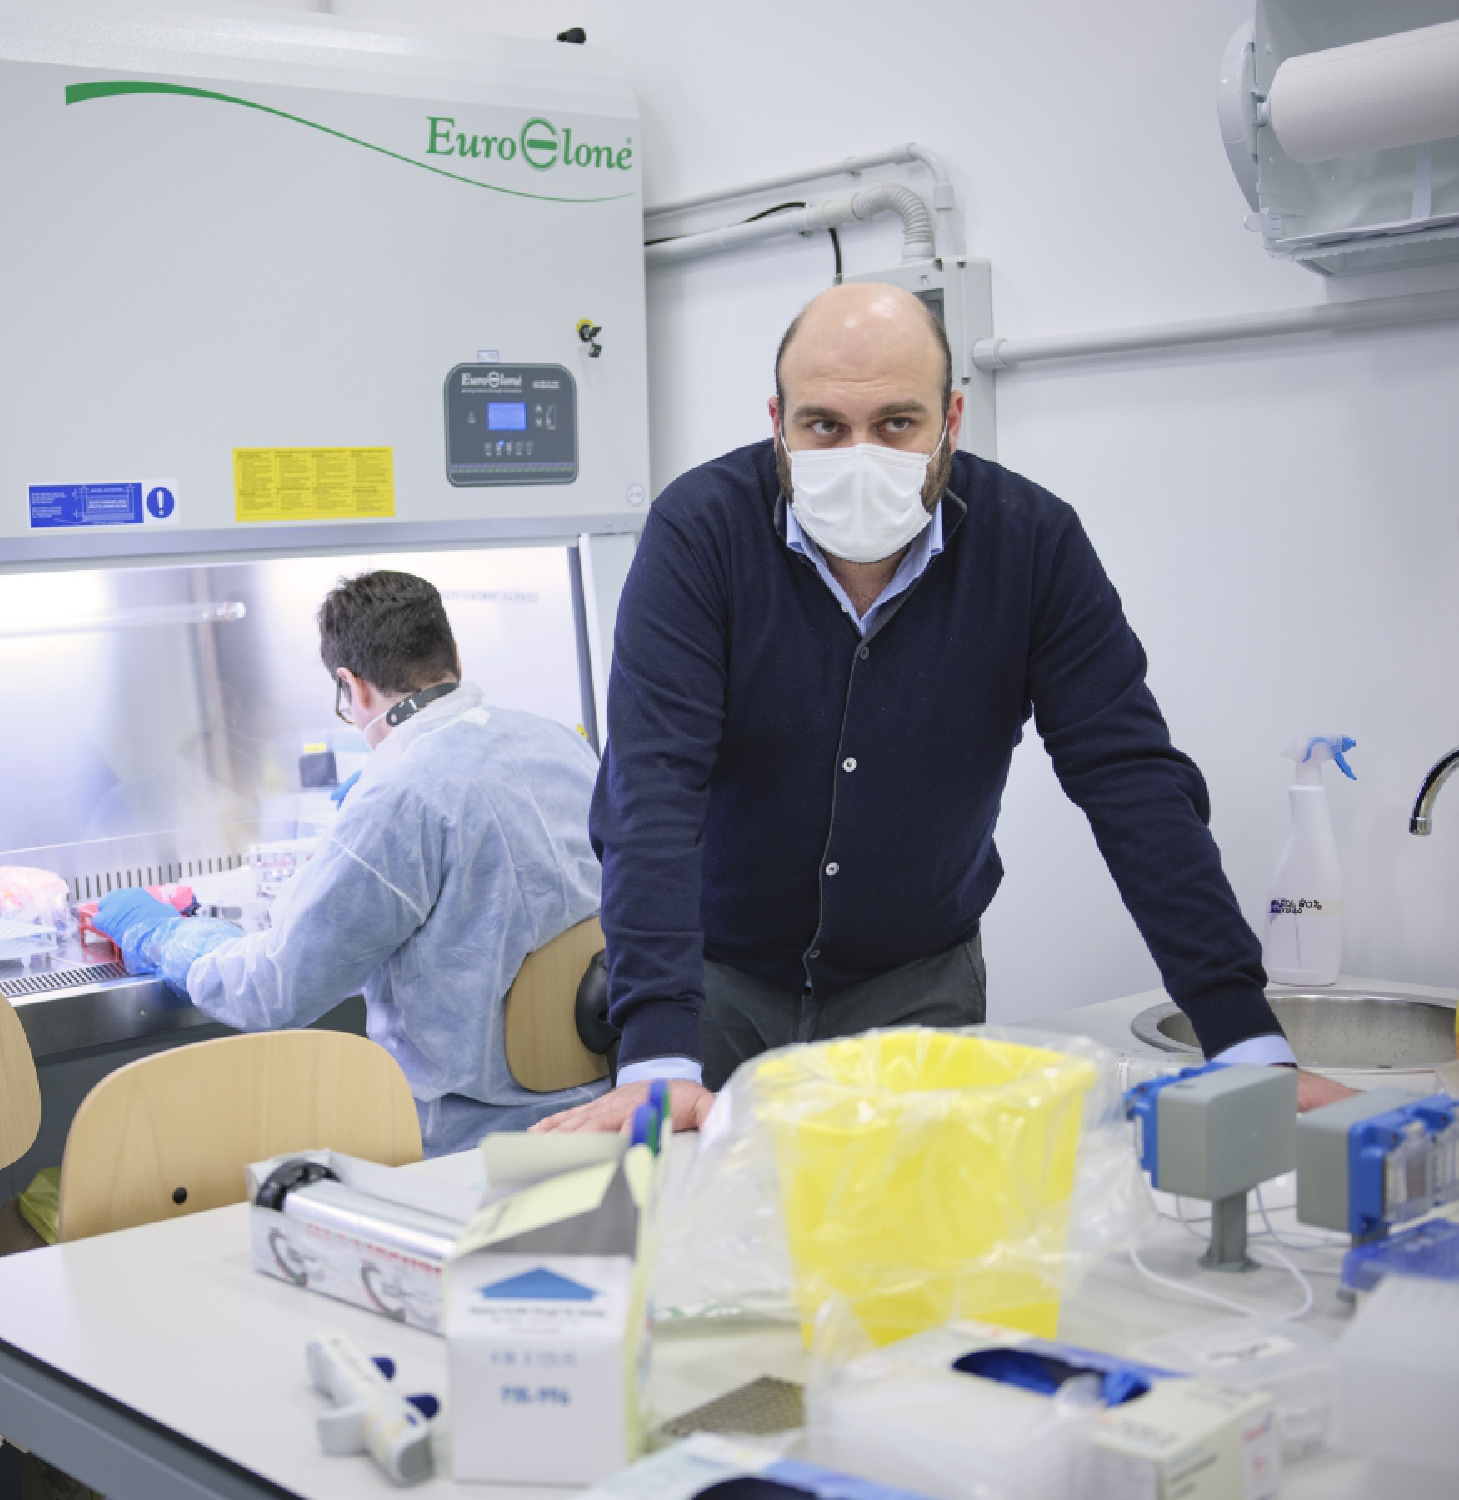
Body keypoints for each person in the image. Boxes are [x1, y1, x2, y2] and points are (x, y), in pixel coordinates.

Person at [536, 282, 1354, 1136]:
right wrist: (659, 1053)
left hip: (917, 984)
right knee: (704, 1240)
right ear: (776, 419)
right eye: (824, 425)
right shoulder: (700, 533)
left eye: (896, 424)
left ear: (952, 418)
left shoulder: (1031, 543)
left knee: (923, 1242)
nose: (859, 454)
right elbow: (653, 790)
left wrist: (1244, 1039)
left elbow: (1131, 780)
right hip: (711, 984)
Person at [93, 570, 608, 1155]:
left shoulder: (400, 794)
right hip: (602, 1119)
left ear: (353, 687)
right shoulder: (559, 742)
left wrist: (164, 938)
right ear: (455, 657)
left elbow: (272, 989)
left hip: (470, 1155)